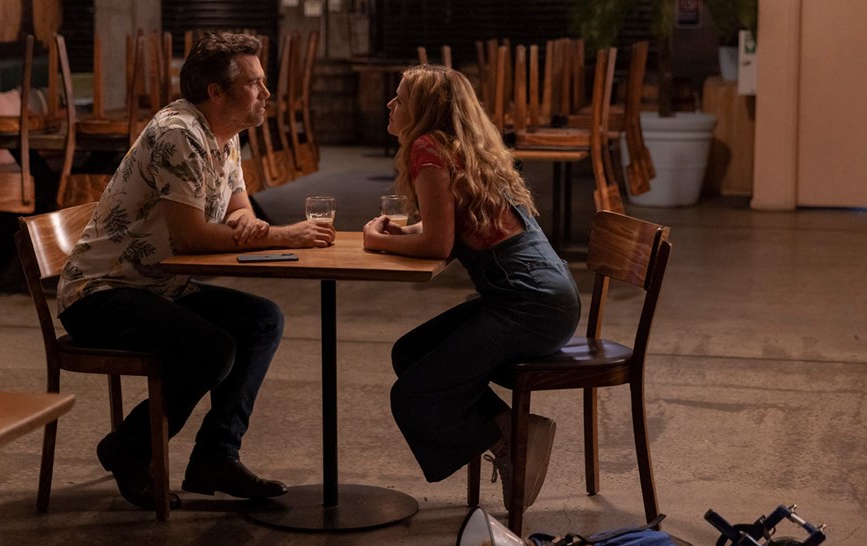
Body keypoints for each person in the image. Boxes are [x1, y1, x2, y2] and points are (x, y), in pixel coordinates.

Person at [56, 32, 335, 510]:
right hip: (100, 293)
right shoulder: (179, 135)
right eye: (255, 83)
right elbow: (191, 238)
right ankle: (129, 450)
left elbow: (239, 208)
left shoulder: (225, 135)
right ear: (216, 92)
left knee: (262, 320)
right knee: (211, 348)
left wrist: (248, 224)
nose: (266, 92)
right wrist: (282, 235)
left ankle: (216, 457)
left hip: (158, 285)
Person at [362, 65, 581, 511]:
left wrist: (376, 240)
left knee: (412, 395)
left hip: (527, 305)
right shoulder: (463, 149)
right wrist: (406, 233)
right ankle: (511, 427)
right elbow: (454, 224)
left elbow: (438, 245)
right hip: (545, 297)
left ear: (424, 110)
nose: (390, 104)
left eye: (400, 98)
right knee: (410, 353)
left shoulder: (427, 148)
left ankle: (508, 440)